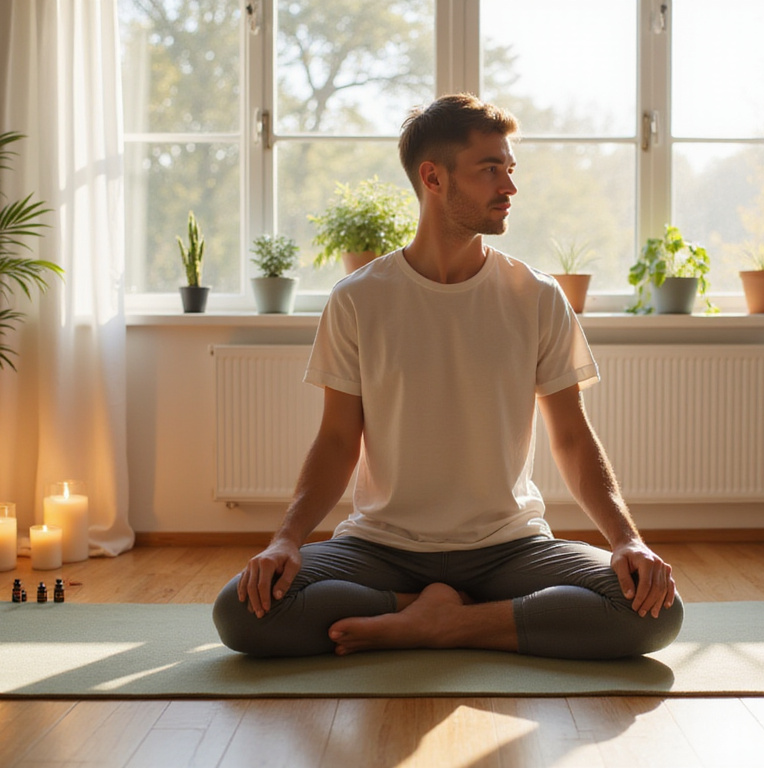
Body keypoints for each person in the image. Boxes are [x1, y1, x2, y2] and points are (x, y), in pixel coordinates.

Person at [212, 94, 683, 659]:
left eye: (509, 170)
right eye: (490, 170)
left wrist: (627, 541)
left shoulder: (536, 296)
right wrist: (285, 541)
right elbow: (338, 440)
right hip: (381, 547)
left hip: (508, 547)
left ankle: (442, 623)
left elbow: (572, 436)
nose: (509, 187)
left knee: (653, 609)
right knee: (242, 610)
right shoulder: (359, 299)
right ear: (433, 178)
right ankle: (426, 605)